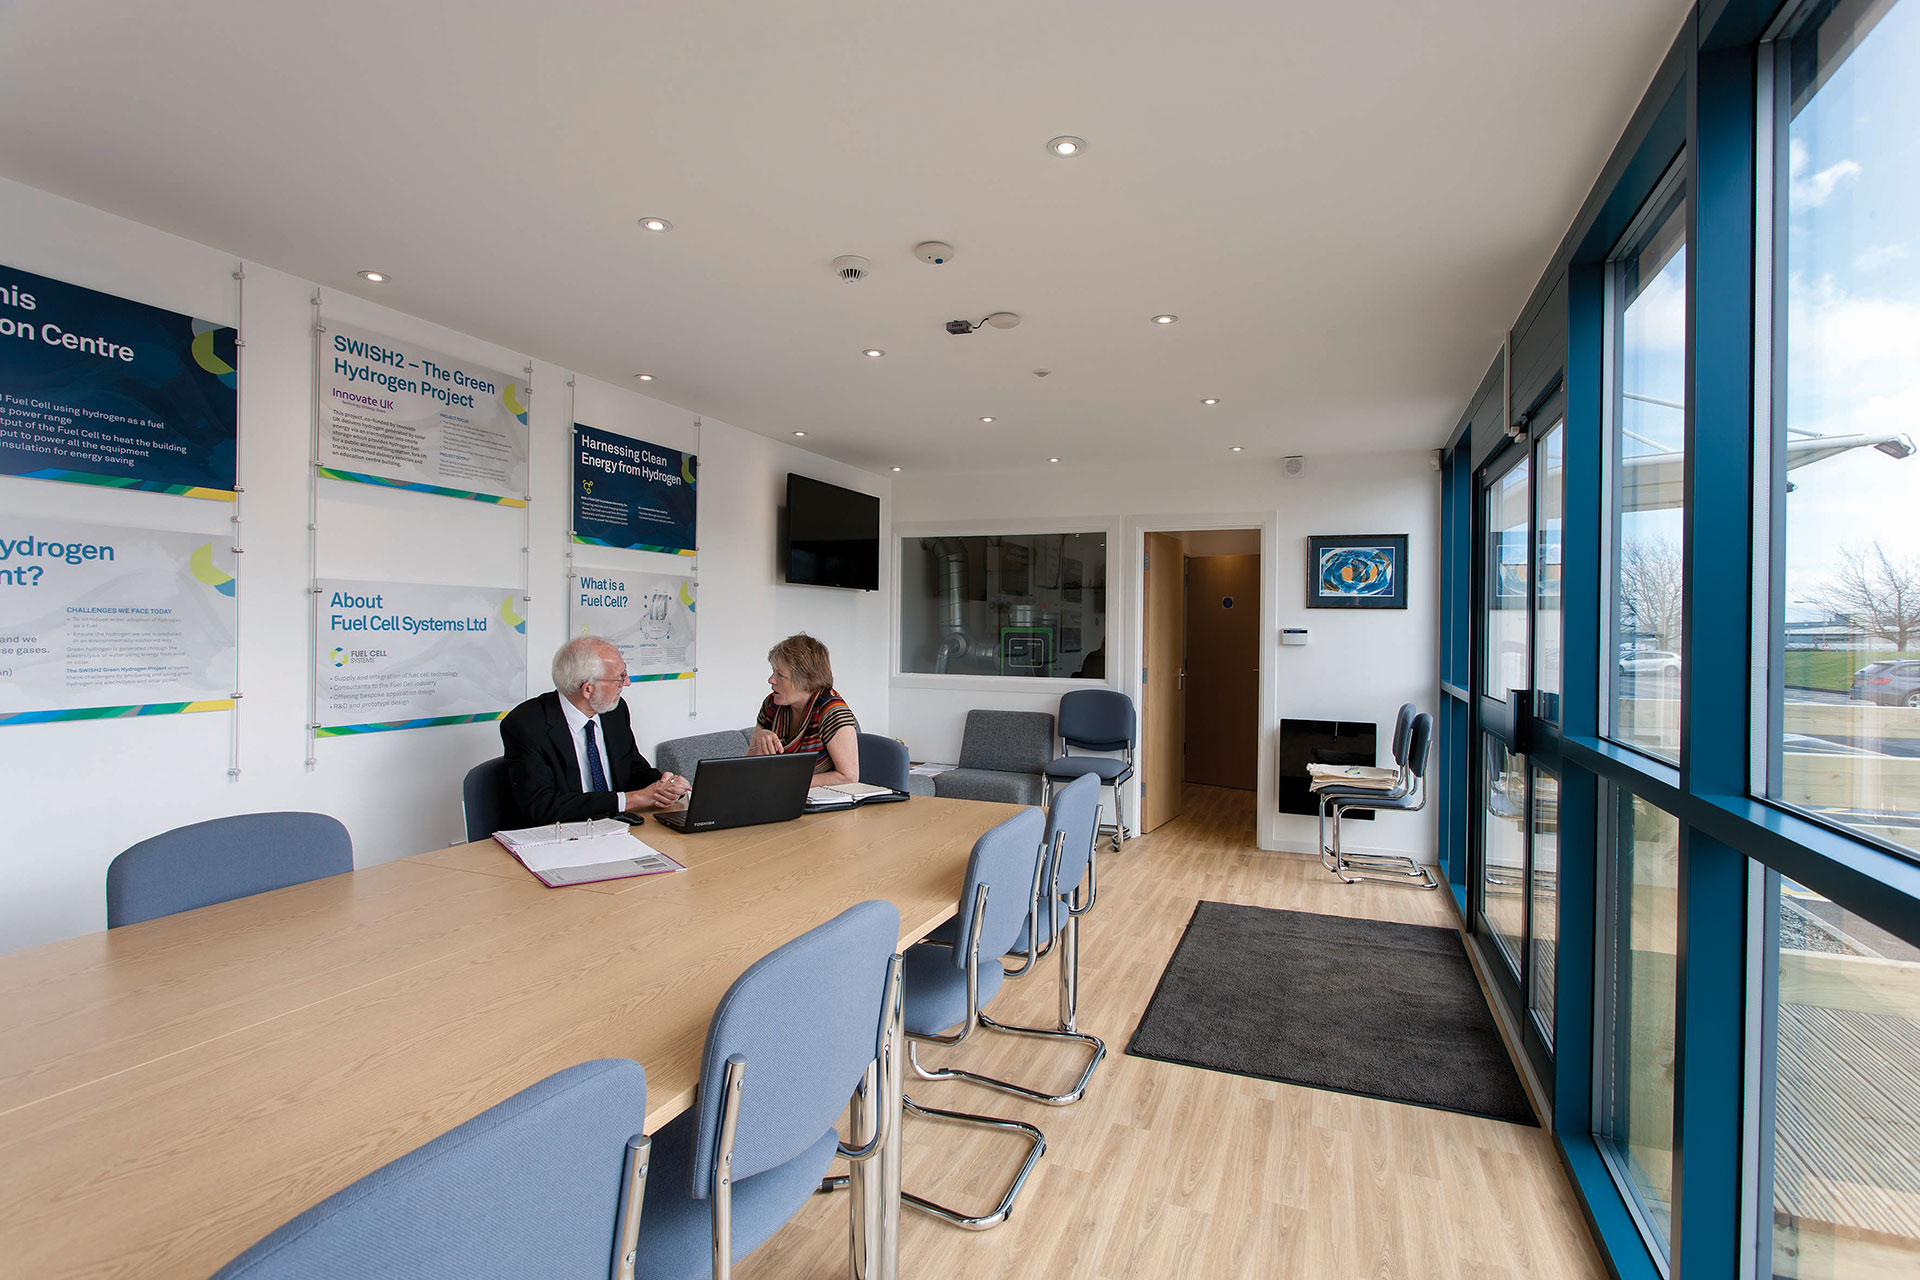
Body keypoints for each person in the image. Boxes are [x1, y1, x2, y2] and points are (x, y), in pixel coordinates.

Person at [500, 636, 690, 824]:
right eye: (620, 677)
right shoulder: (525, 724)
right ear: (588, 689)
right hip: (564, 833)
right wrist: (632, 799)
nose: (627, 682)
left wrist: (665, 785)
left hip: (618, 828)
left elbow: (633, 769)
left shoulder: (614, 711)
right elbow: (542, 806)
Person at [747, 634, 861, 785]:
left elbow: (849, 776)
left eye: (780, 675)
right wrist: (759, 740)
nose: (771, 680)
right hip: (781, 793)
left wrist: (788, 782)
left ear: (806, 679)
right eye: (773, 671)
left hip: (821, 797)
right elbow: (748, 767)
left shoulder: (833, 711)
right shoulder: (772, 704)